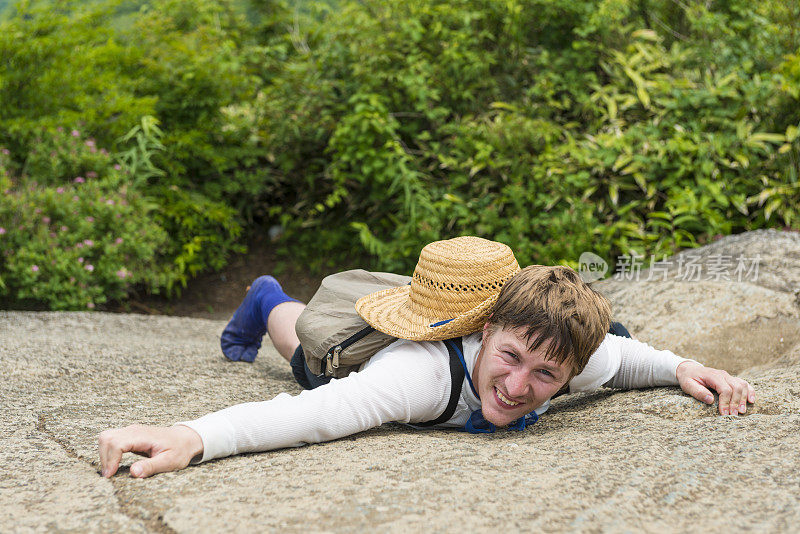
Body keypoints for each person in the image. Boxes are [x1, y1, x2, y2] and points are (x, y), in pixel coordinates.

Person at [98, 237, 755, 479]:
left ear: (569, 370)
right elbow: (314, 414)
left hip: (448, 326)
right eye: (511, 356)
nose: (519, 384)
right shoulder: (414, 377)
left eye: (547, 374)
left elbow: (626, 358)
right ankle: (267, 295)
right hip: (359, 355)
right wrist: (192, 437)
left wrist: (681, 368)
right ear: (490, 328)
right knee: (305, 344)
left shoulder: (571, 358)